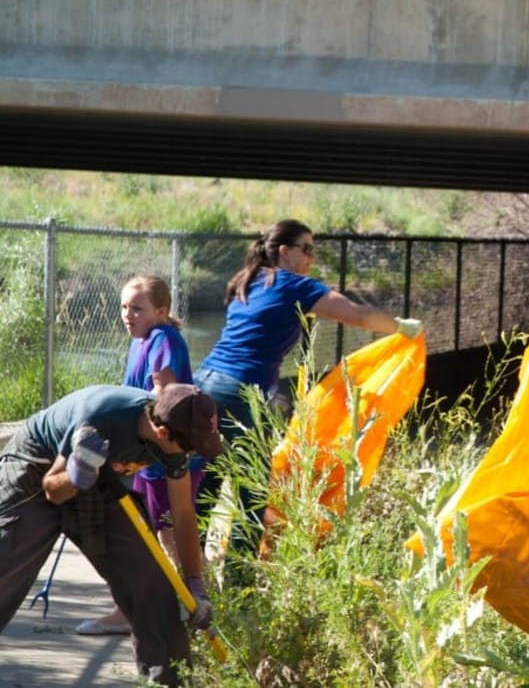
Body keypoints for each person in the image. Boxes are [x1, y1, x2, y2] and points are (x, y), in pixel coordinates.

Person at [193, 219, 416, 553]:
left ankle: (185, 575)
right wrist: (402, 327)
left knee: (208, 479)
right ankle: (240, 587)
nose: (312, 257)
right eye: (306, 248)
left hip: (205, 382)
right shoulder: (294, 284)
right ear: (285, 251)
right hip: (242, 391)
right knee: (251, 490)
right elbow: (358, 315)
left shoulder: (247, 281)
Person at [0, 383, 224, 686]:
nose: (193, 453)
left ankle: (169, 681)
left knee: (151, 581)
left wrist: (195, 583)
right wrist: (78, 473)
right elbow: (53, 489)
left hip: (98, 478)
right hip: (37, 472)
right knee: (5, 565)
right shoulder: (100, 417)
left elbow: (183, 513)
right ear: (162, 434)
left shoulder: (173, 431)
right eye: (191, 446)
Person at [78, 275, 203, 636]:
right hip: (146, 454)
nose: (128, 315)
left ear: (161, 311)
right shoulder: (143, 338)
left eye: (137, 308)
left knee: (163, 533)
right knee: (152, 531)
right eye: (123, 307)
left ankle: (180, 607)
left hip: (165, 451)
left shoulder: (163, 338)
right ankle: (154, 607)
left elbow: (162, 394)